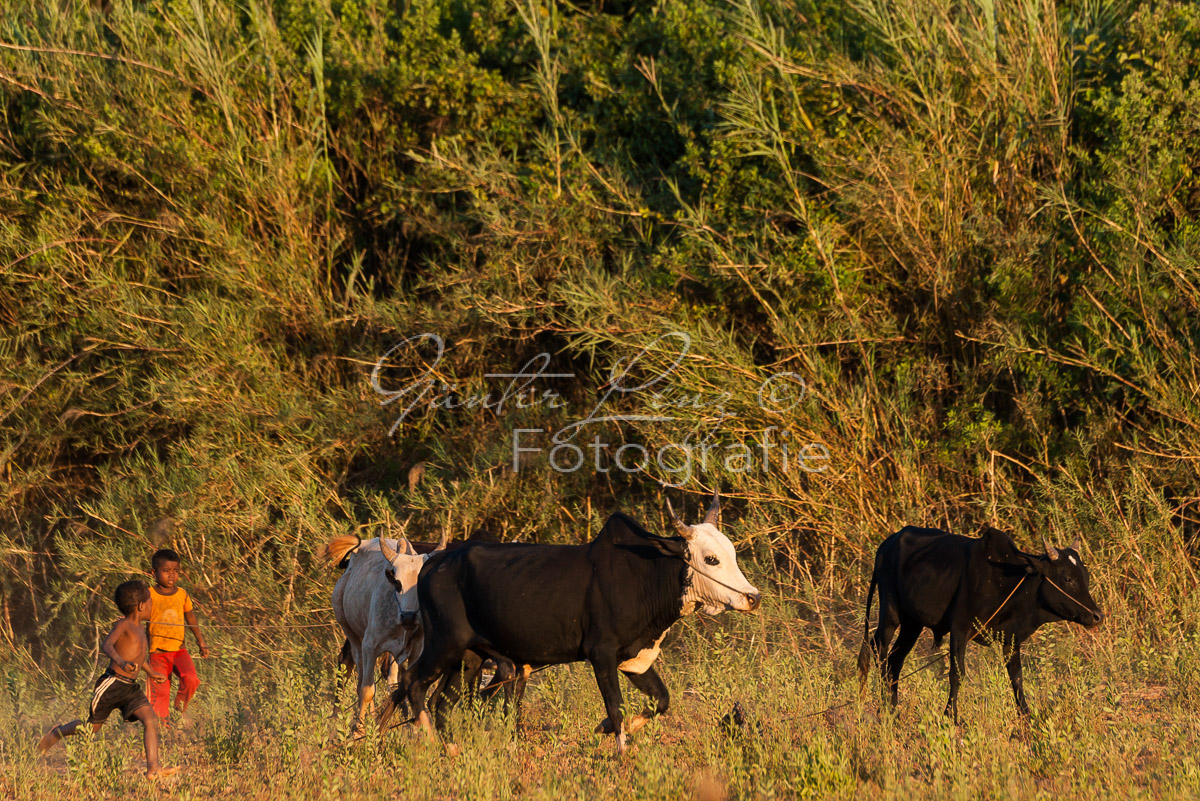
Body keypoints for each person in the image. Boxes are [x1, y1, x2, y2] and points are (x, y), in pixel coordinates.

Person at [38, 580, 179, 779]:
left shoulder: (142, 628)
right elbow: (107, 645)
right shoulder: (124, 624)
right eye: (149, 602)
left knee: (151, 719)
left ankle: (153, 768)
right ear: (140, 606)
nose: (152, 605)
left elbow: (138, 656)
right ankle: (57, 733)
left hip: (130, 688)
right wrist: (120, 661)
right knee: (90, 729)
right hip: (112, 684)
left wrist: (150, 671)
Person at [146, 548, 209, 725]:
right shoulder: (149, 594)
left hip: (179, 651)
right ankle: (164, 730)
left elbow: (190, 616)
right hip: (157, 653)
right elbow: (138, 614)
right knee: (161, 693)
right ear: (154, 573)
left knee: (191, 679)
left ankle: (178, 710)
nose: (172, 575)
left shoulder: (182, 594)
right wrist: (127, 618)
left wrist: (201, 641)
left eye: (175, 571)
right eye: (166, 571)